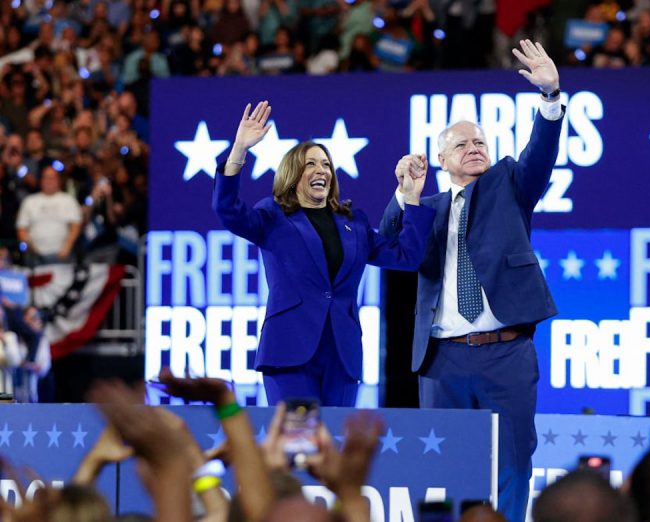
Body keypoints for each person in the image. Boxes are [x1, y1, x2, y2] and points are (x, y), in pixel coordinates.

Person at [379, 40, 564, 522]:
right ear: (441, 159)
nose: (475, 148)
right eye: (461, 144)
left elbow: (540, 155)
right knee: (443, 470)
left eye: (480, 141)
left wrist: (549, 98)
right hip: (443, 358)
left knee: (514, 464)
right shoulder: (428, 208)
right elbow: (388, 247)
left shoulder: (510, 185)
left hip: (506, 353)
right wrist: (404, 197)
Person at [212, 100, 434, 407]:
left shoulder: (353, 223)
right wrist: (239, 149)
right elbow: (228, 210)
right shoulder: (273, 216)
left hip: (342, 355)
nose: (322, 170)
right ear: (293, 173)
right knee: (296, 447)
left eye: (326, 164)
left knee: (335, 450)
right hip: (290, 353)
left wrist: (411, 197)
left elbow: (406, 258)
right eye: (311, 164)